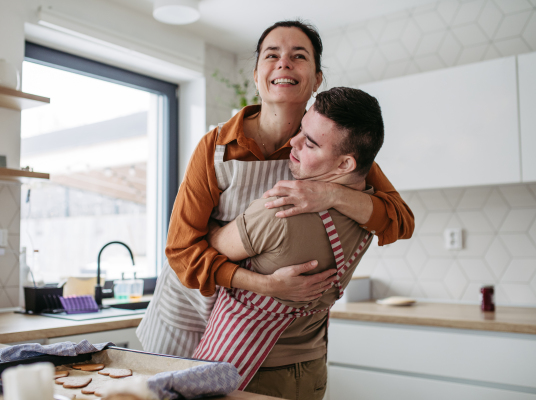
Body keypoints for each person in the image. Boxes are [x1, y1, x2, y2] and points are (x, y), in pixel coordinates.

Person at [136, 20, 414, 358]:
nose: (284, 63)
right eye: (272, 55)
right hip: (187, 312)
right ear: (256, 75)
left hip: (250, 331)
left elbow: (400, 221)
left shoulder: (327, 150)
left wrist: (332, 194)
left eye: (298, 56)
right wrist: (266, 285)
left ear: (317, 79)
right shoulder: (217, 147)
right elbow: (181, 252)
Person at [193, 87, 383, 400]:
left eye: (310, 142)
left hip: (249, 375)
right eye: (300, 131)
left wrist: (214, 213)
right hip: (312, 369)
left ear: (346, 164)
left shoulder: (280, 211)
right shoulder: (372, 212)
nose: (292, 143)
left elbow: (211, 241)